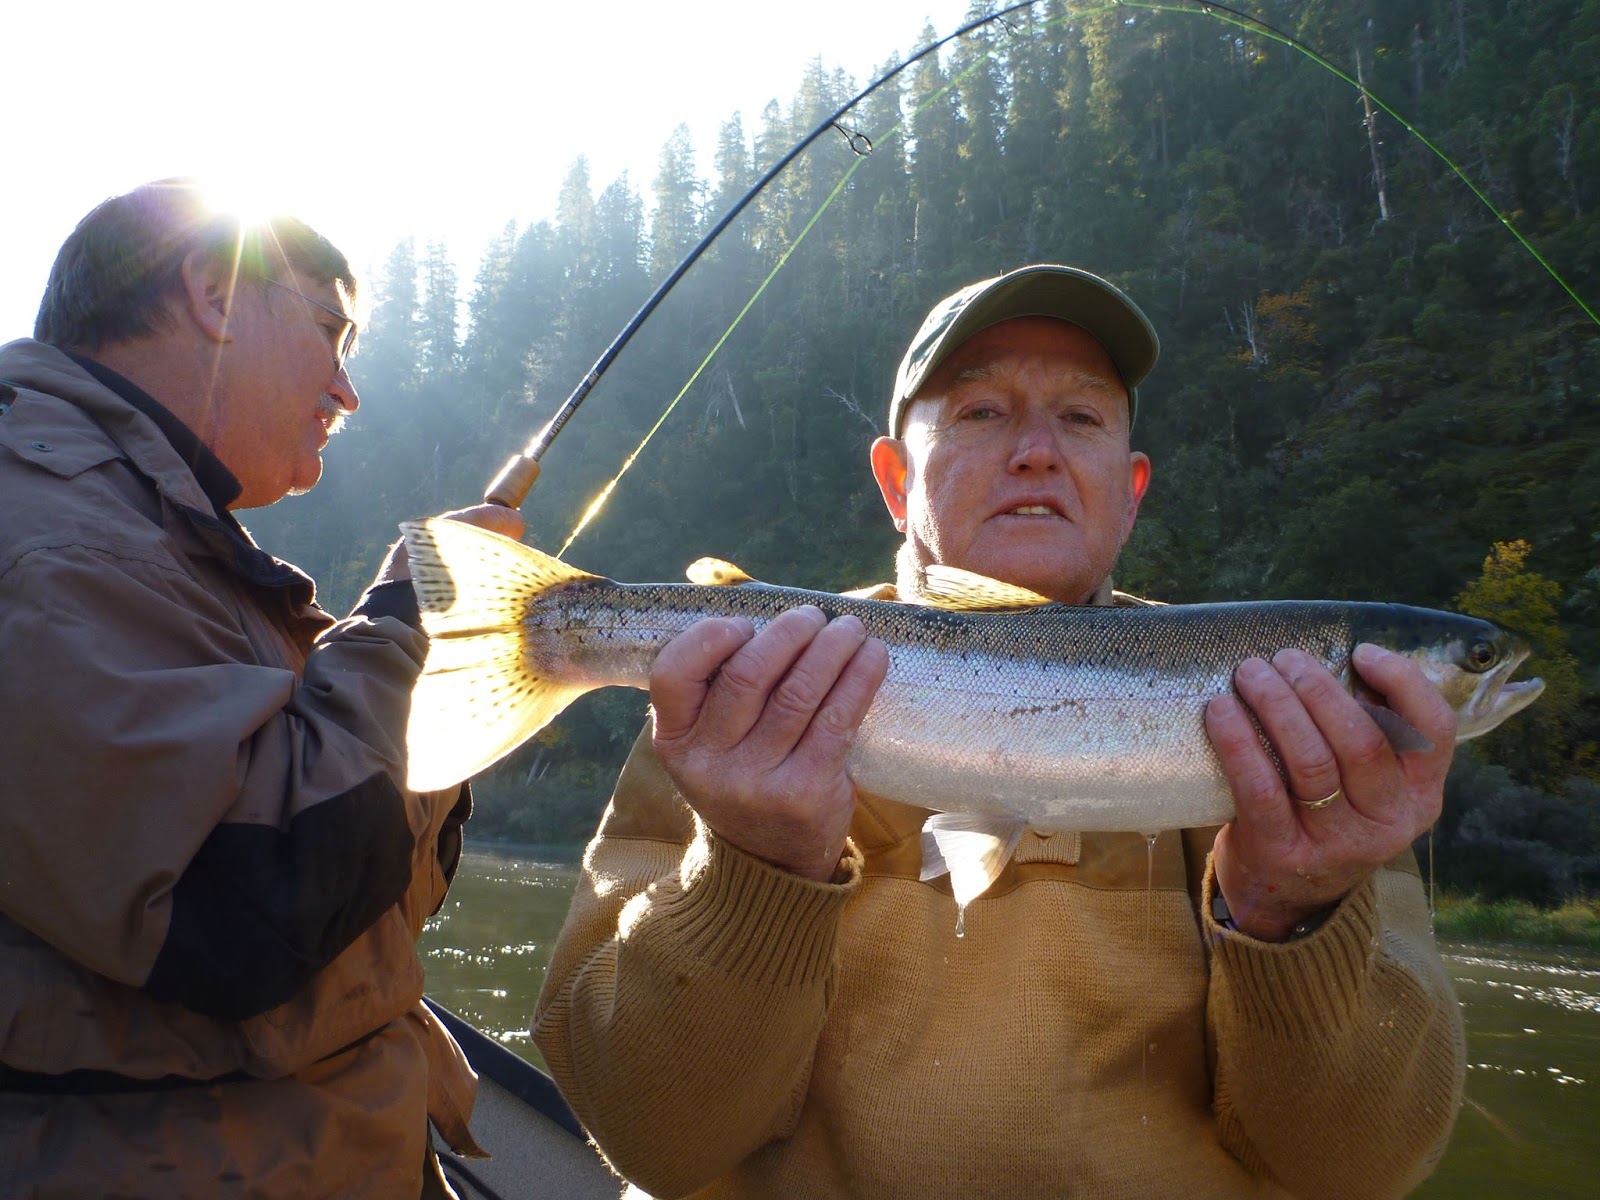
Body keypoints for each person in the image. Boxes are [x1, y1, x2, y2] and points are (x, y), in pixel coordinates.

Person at [532, 264, 1466, 1198]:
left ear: (1131, 490)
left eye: (1083, 418)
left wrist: (1291, 915)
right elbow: (651, 1137)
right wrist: (754, 869)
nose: (1036, 451)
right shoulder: (743, 697)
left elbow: (1356, 1170)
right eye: (981, 412)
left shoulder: (1315, 740)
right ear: (895, 483)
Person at [0, 179, 522, 1198]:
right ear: (214, 291)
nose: (346, 391)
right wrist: (409, 622)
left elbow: (366, 891)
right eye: (330, 330)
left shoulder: (146, 536)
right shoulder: (53, 540)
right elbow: (250, 899)